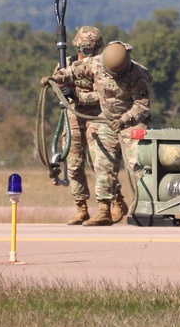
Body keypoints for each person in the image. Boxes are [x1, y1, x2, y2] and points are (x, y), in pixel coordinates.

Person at [43, 40, 152, 226]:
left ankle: (147, 208)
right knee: (102, 164)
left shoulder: (137, 75)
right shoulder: (96, 63)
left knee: (139, 165)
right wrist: (57, 78)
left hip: (132, 124)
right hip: (107, 122)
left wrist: (124, 120)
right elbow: (74, 71)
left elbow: (142, 106)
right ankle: (103, 210)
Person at [56, 26, 104, 225]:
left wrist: (78, 95)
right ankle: (81, 207)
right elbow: (56, 86)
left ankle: (108, 204)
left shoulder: (102, 66)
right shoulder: (66, 63)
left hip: (96, 117)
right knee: (74, 164)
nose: (88, 55)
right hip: (73, 118)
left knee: (99, 162)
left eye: (92, 51)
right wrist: (59, 87)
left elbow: (104, 94)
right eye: (85, 50)